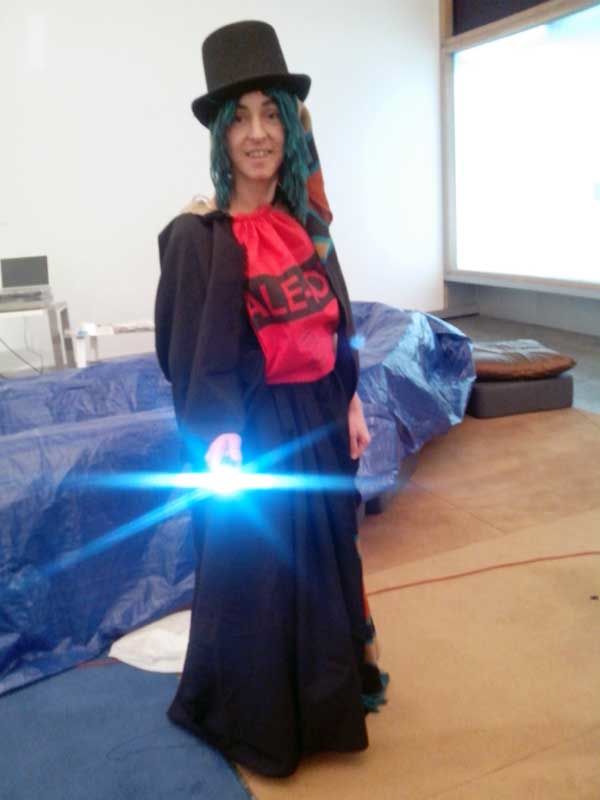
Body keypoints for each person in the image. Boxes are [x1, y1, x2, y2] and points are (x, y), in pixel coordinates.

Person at [154, 20, 388, 778]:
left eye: (270, 115)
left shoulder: (307, 224)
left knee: (324, 566)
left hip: (318, 419)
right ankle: (261, 726)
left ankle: (326, 706)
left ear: (289, 126)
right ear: (221, 135)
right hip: (253, 434)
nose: (258, 134)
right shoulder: (199, 237)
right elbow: (188, 353)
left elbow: (336, 321)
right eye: (241, 118)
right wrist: (216, 435)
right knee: (257, 580)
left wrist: (349, 401)